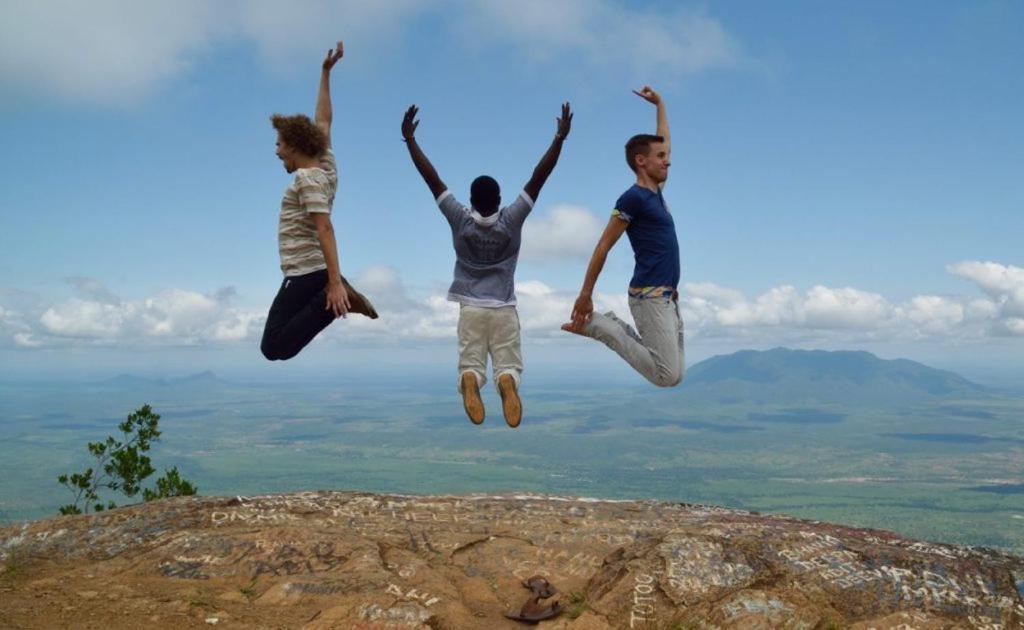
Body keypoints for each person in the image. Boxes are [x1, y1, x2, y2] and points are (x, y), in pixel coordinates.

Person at [401, 102, 573, 427]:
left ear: (470, 200)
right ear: (498, 200)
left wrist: (410, 140)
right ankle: (506, 383)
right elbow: (540, 177)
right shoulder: (511, 221)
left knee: (471, 362)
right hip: (504, 308)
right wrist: (559, 138)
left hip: (471, 309)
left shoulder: (459, 220)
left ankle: (470, 380)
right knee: (508, 363)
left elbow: (432, 179)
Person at [260, 41, 378, 362]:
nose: (277, 150)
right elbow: (323, 120)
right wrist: (325, 72)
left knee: (273, 346)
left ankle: (334, 300)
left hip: (306, 271)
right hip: (311, 270)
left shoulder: (307, 178)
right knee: (278, 343)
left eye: (280, 143)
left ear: (295, 145)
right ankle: (332, 296)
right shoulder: (324, 165)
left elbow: (325, 228)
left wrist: (335, 282)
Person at [562, 87, 684, 388]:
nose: (667, 161)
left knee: (676, 375)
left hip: (667, 296)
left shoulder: (655, 194)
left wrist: (660, 105)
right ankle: (597, 326)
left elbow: (664, 139)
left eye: (666, 156)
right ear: (641, 161)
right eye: (660, 157)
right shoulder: (633, 199)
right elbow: (604, 244)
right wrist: (585, 294)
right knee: (666, 376)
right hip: (649, 296)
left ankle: (611, 324)